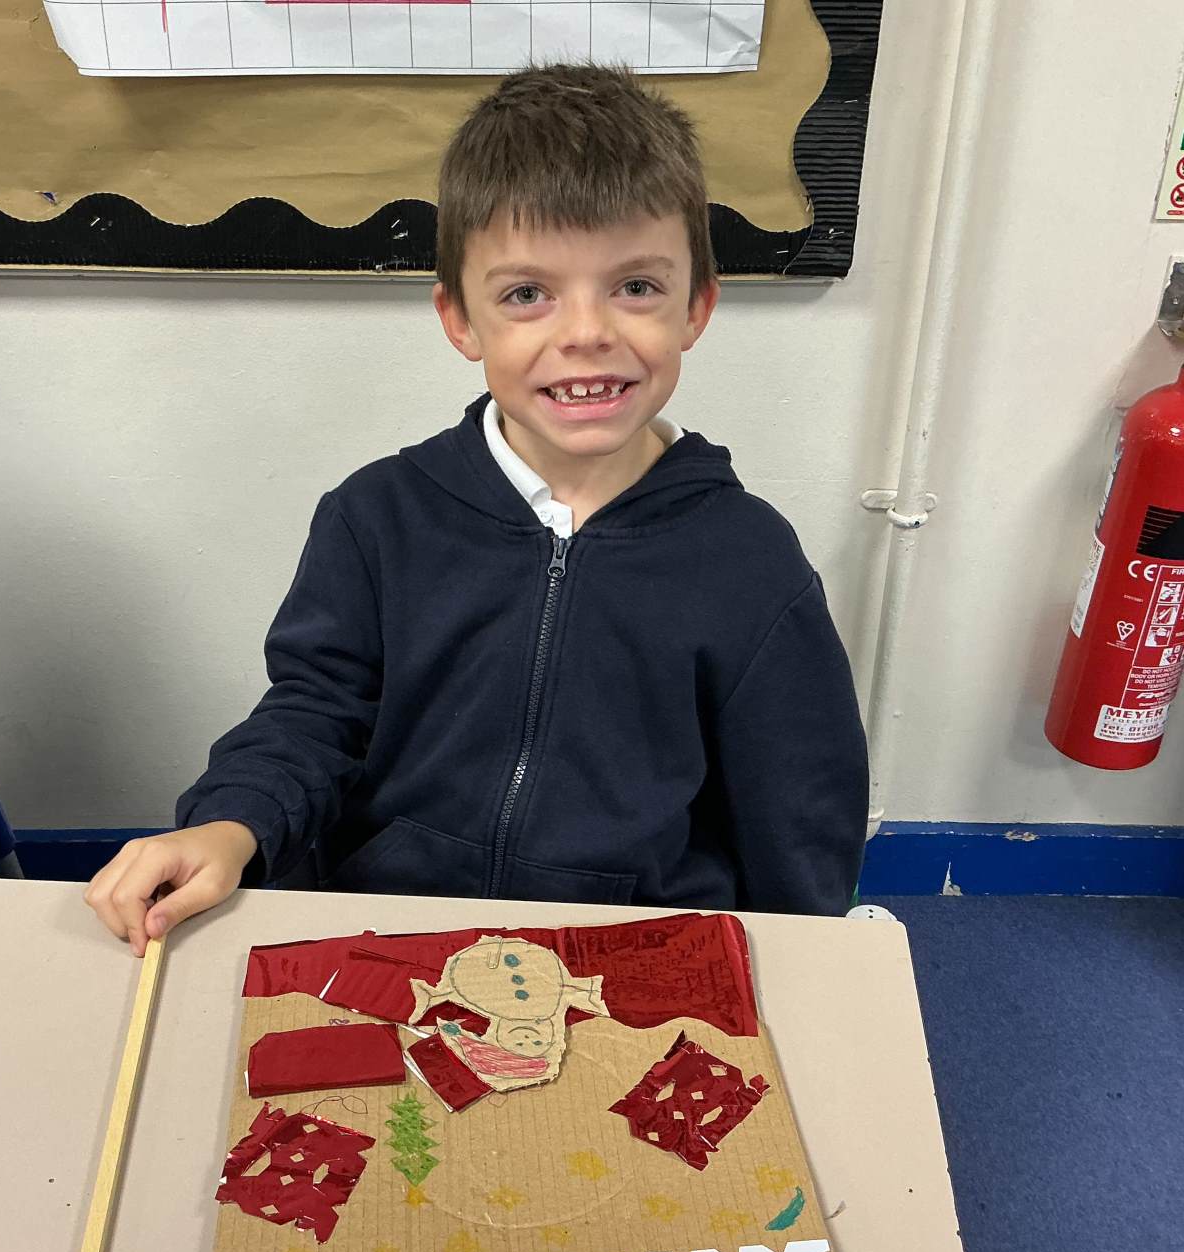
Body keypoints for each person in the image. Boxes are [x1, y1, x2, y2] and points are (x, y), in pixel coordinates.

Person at [86, 63, 867, 953]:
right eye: (528, 294)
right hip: (390, 934)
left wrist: (810, 960)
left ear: (697, 307)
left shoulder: (750, 559)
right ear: (460, 319)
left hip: (626, 955)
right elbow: (312, 716)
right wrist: (231, 825)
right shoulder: (377, 517)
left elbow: (800, 803)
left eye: (636, 287)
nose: (586, 332)